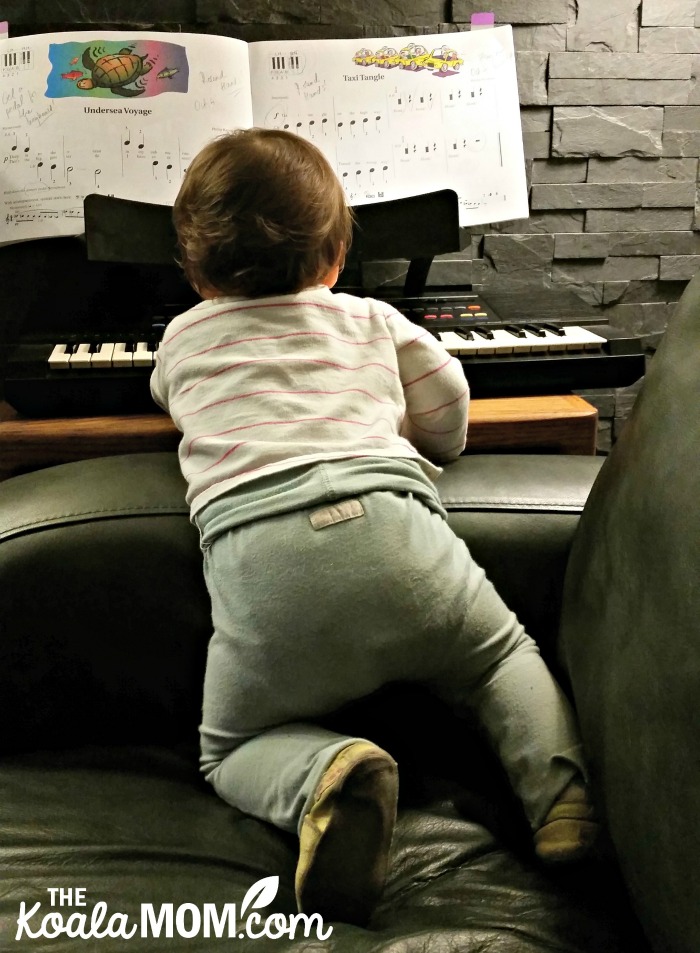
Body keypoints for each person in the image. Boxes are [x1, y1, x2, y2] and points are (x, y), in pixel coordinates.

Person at [150, 127, 599, 927]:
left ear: (193, 269)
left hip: (267, 570)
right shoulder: (371, 319)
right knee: (500, 658)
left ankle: (333, 772)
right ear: (335, 255)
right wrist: (433, 438)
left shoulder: (182, 338)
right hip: (401, 537)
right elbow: (448, 408)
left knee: (228, 749)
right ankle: (561, 796)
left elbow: (174, 398)